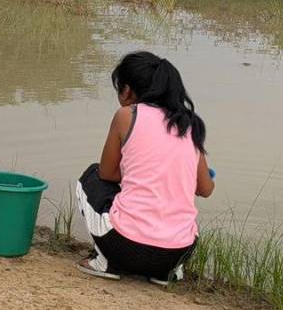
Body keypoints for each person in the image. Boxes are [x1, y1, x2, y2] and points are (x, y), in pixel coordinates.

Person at [76, 51, 214, 285]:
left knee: (90, 176)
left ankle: (104, 261)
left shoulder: (126, 115)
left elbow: (107, 173)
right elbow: (206, 188)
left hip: (124, 245)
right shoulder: (188, 123)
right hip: (178, 252)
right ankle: (167, 273)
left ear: (127, 90)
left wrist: (138, 174)